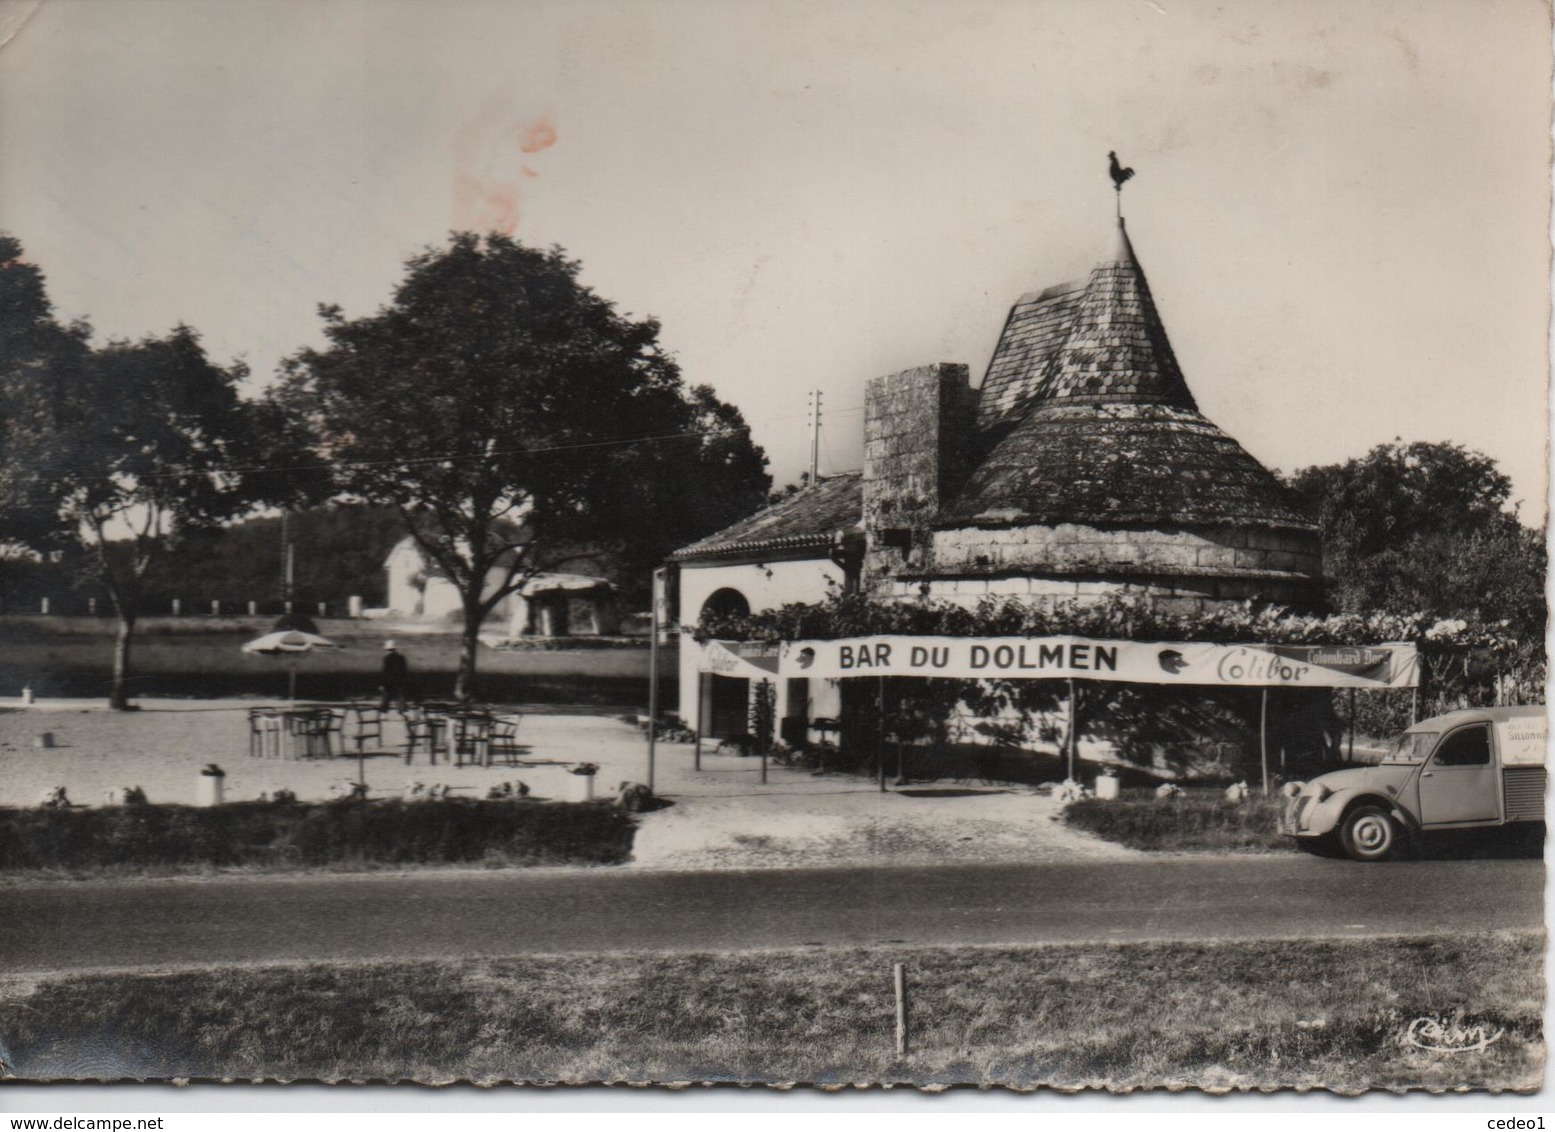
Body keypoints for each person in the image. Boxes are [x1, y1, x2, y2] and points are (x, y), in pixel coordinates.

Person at [379, 640, 410, 712]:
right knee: (400, 699)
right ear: (395, 648)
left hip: (389, 682)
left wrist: (382, 684)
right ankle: (403, 713)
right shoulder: (401, 657)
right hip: (400, 682)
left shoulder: (387, 658)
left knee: (385, 700)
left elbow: (385, 672)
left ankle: (383, 713)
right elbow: (404, 671)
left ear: (386, 649)